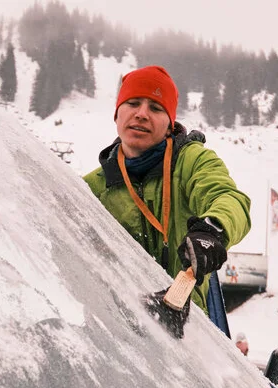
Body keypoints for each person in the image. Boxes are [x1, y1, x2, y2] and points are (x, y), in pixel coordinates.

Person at [84, 65, 251, 313]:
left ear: (170, 122)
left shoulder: (191, 161)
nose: (141, 114)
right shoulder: (92, 188)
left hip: (187, 331)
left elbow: (230, 199)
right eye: (133, 103)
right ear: (117, 114)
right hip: (115, 329)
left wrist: (213, 229)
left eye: (155, 108)